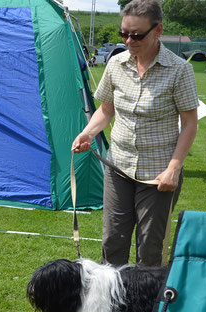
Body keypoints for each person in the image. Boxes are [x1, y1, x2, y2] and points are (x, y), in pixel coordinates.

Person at [71, 0, 198, 267]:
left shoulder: (180, 70)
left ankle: (146, 307)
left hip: (158, 174)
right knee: (112, 240)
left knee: (150, 247)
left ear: (158, 30)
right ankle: (113, 305)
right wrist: (88, 133)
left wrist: (174, 168)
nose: (129, 40)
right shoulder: (116, 64)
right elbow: (106, 110)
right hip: (118, 167)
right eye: (124, 34)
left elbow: (189, 124)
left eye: (137, 35)